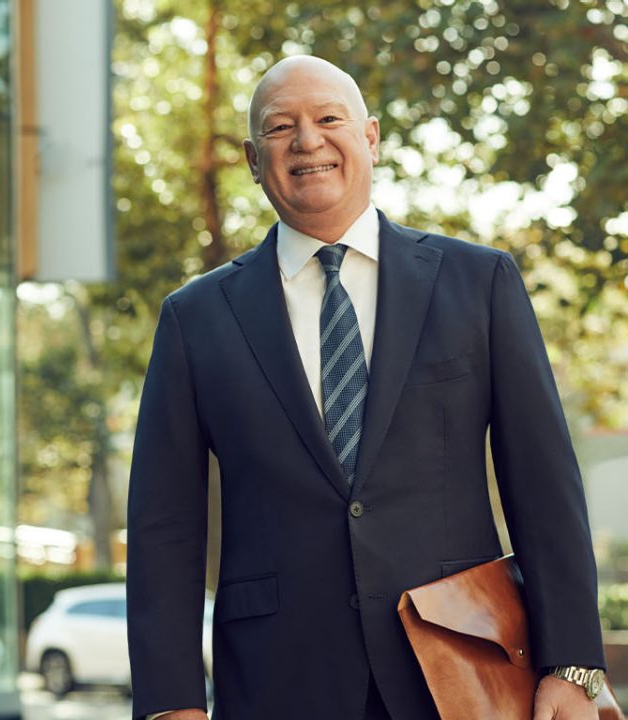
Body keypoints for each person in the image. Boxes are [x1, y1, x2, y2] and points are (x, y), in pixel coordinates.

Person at [126, 55, 606, 720]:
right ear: (251, 158)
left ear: (371, 137)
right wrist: (170, 702)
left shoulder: (479, 283)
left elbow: (545, 486)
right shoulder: (195, 317)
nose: (307, 141)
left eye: (329, 119)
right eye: (280, 128)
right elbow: (164, 527)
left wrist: (572, 664)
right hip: (278, 679)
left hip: (461, 671)